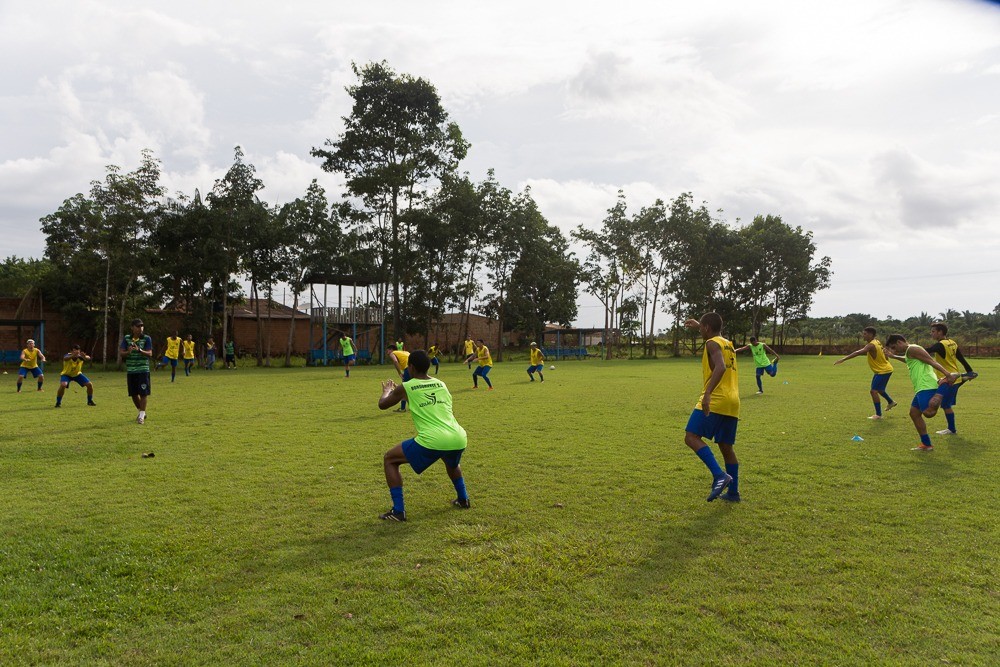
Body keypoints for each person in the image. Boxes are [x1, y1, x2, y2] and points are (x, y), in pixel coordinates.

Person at [377, 350, 470, 521]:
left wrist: (387, 390)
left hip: (434, 439)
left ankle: (398, 511)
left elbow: (382, 405)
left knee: (390, 459)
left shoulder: (407, 386)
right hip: (458, 435)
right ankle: (463, 499)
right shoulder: (441, 384)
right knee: (451, 462)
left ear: (410, 367)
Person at [683, 313, 741, 502]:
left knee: (691, 437)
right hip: (732, 401)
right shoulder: (728, 343)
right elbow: (716, 338)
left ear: (707, 328)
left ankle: (719, 475)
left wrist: (707, 394)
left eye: (702, 328)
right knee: (726, 447)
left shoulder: (711, 344)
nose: (700, 331)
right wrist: (700, 323)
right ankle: (733, 493)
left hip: (716, 398)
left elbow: (721, 367)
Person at [884, 334, 959, 451]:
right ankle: (926, 444)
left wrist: (948, 375)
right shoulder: (910, 352)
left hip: (927, 385)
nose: (894, 350)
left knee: (929, 413)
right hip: (920, 387)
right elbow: (909, 360)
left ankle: (944, 386)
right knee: (914, 413)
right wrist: (893, 356)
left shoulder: (913, 349)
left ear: (899, 342)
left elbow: (931, 361)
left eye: (893, 347)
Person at [833, 327, 898, 419]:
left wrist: (843, 359)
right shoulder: (877, 342)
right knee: (879, 390)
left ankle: (878, 415)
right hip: (884, 369)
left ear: (871, 334)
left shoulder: (871, 345)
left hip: (883, 371)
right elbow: (884, 352)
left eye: (865, 334)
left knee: (873, 391)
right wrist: (886, 361)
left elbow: (858, 352)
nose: (863, 335)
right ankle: (891, 402)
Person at [925, 322, 976, 436]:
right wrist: (970, 370)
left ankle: (951, 430)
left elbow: (926, 351)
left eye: (933, 331)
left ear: (940, 332)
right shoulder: (952, 342)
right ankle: (964, 376)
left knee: (943, 405)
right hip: (954, 377)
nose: (931, 333)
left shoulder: (940, 345)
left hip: (948, 380)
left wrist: (909, 348)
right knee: (946, 405)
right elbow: (961, 358)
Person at [120, 318, 153, 424]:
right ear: (132, 328)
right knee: (133, 394)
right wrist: (128, 352)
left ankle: (141, 416)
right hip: (131, 370)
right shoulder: (127, 338)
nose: (140, 328)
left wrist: (140, 350)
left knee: (143, 393)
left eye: (141, 326)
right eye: (138, 326)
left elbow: (150, 354)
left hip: (143, 370)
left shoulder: (147, 338)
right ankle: (141, 411)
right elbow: (121, 353)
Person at [387, 346, 411, 412]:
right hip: (416, 368)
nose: (387, 353)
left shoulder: (393, 353)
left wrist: (399, 373)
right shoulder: (405, 352)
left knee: (404, 389)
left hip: (409, 369)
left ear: (391, 350)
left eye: (388, 351)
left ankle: (403, 408)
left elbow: (395, 361)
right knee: (412, 388)